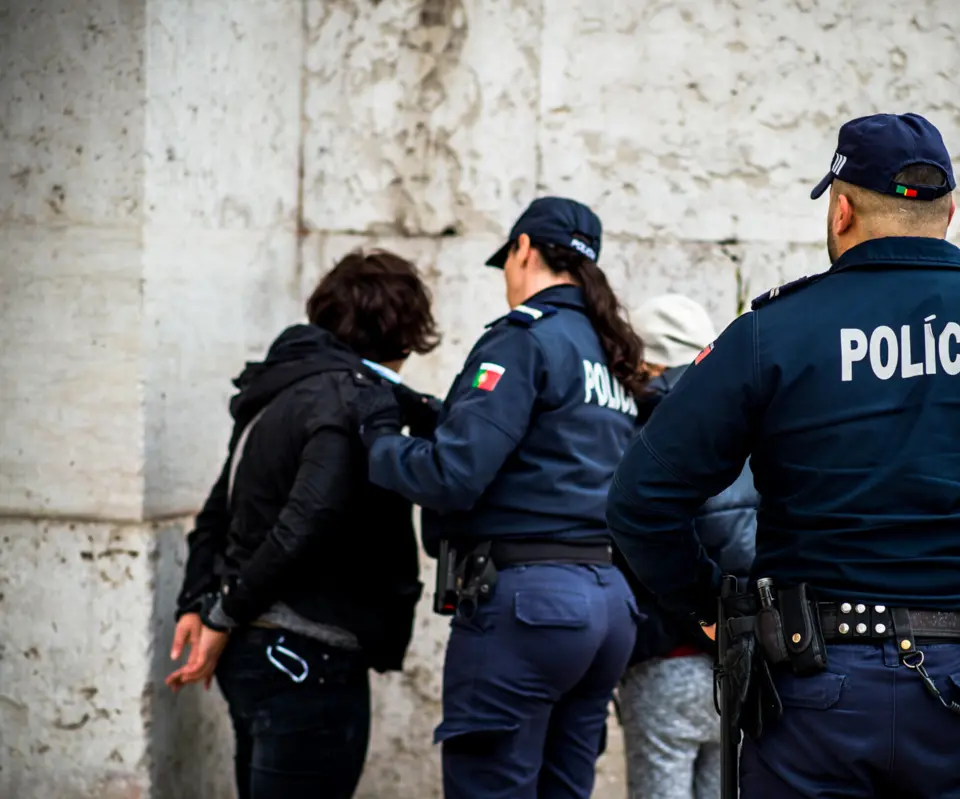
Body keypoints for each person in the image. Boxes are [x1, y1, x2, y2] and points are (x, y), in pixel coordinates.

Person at [606, 112, 960, 798]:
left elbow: (639, 499)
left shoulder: (770, 335)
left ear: (841, 210)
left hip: (813, 694)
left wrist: (710, 609)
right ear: (949, 213)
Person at [350, 196, 643, 799]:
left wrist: (379, 440)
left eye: (507, 260)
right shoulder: (609, 350)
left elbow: (453, 475)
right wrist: (442, 417)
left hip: (531, 608)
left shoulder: (524, 339)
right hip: (607, 604)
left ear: (523, 249)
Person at [166, 248, 438, 799]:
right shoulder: (348, 398)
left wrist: (196, 603)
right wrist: (219, 615)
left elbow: (215, 513)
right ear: (405, 336)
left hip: (255, 658)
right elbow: (308, 518)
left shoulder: (277, 390)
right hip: (306, 661)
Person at [615, 294, 758, 799]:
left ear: (646, 362)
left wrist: (702, 611)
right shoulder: (748, 423)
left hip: (667, 659)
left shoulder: (645, 429)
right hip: (743, 665)